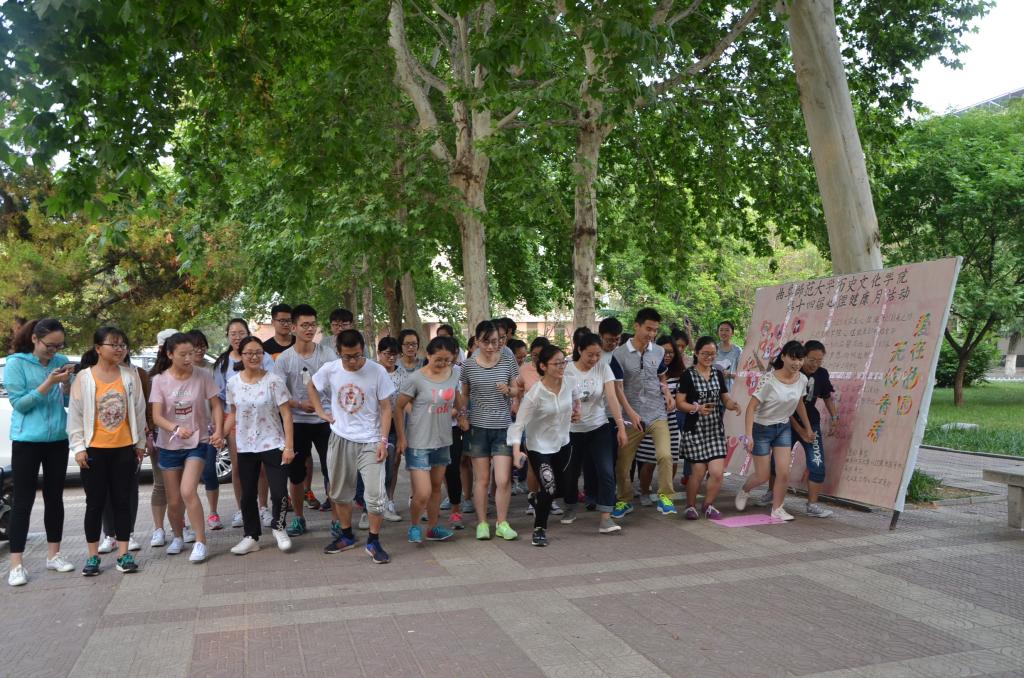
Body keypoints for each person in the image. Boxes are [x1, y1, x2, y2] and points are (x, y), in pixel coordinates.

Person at [309, 329, 395, 564]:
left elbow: (386, 408)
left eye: (357, 355)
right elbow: (312, 386)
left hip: (371, 440)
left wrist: (384, 440)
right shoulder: (331, 369)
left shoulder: (377, 371)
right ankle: (346, 535)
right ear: (339, 352)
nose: (353, 361)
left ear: (363, 349)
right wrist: (320, 411)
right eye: (347, 357)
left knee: (375, 496)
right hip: (340, 438)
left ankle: (374, 541)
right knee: (339, 493)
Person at [67, 327, 147, 576]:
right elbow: (75, 415)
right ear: (98, 348)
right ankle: (93, 557)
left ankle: (124, 554)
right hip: (94, 451)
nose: (120, 349)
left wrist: (140, 444)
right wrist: (79, 448)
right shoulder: (84, 378)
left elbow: (139, 411)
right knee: (95, 504)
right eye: (114, 344)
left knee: (123, 501)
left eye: (123, 345)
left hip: (124, 449)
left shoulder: (130, 376)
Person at [6, 318, 75, 586]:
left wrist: (66, 385)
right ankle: (16, 564)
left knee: (54, 498)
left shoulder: (61, 361)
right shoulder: (16, 363)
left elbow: (67, 401)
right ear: (35, 339)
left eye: (59, 346)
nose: (54, 351)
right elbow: (20, 404)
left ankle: (54, 554)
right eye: (50, 345)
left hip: (57, 438)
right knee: (22, 501)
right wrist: (48, 383)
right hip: (26, 440)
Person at [148, 332, 223, 562]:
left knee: (188, 490)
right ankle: (178, 536)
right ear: (170, 354)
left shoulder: (203, 376)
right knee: (173, 500)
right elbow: (157, 417)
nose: (189, 358)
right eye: (183, 354)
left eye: (191, 353)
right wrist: (176, 428)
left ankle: (200, 542)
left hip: (197, 442)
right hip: (169, 445)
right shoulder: (159, 380)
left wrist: (218, 431)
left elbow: (216, 405)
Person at [223, 336, 295, 554]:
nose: (254, 357)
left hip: (273, 442)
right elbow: (232, 413)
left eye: (258, 353)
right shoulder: (233, 383)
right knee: (247, 495)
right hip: (246, 446)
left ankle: (279, 527)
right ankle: (251, 536)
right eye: (249, 353)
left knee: (280, 492)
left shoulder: (274, 381)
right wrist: (220, 434)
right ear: (241, 355)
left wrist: (289, 446)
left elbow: (286, 414)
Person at [394, 335, 466, 544]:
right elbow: (398, 407)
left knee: (436, 488)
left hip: (442, 440)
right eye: (438, 359)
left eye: (447, 360)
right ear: (428, 355)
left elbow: (457, 395)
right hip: (418, 442)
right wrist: (401, 438)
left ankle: (432, 528)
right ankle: (415, 526)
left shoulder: (453, 373)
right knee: (423, 492)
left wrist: (462, 415)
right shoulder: (416, 378)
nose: (443, 364)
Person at [273, 304, 336, 537]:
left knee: (332, 471)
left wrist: (323, 409)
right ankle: (299, 518)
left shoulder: (327, 355)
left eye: (313, 325)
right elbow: (279, 394)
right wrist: (300, 404)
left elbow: (337, 386)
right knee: (296, 474)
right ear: (293, 328)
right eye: (304, 325)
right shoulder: (284, 359)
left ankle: (337, 520)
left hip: (326, 420)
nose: (310, 329)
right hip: (297, 422)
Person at [735, 340, 814, 521]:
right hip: (762, 428)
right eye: (793, 358)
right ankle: (745, 490)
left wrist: (807, 427)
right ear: (783, 357)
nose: (797, 363)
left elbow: (799, 404)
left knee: (783, 472)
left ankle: (777, 509)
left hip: (783, 428)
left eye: (800, 359)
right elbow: (751, 408)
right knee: (762, 475)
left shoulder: (802, 379)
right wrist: (749, 435)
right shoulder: (769, 380)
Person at [507, 344, 578, 546]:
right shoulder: (535, 394)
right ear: (543, 366)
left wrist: (577, 411)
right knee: (549, 488)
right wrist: (516, 452)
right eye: (556, 363)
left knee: (562, 489)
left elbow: (575, 398)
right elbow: (518, 426)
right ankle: (539, 529)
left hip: (563, 443)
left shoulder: (570, 382)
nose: (561, 366)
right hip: (539, 446)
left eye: (563, 362)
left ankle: (537, 499)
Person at [611, 308, 677, 518]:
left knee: (665, 455)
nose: (651, 334)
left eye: (655, 330)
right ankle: (624, 500)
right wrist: (630, 413)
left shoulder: (658, 351)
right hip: (631, 417)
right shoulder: (618, 355)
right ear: (636, 326)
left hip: (657, 413)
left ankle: (665, 497)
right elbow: (617, 388)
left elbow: (661, 376)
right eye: (648, 329)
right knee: (623, 462)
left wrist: (667, 393)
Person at [458, 320, 520, 541]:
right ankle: (482, 523)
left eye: (495, 341)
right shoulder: (468, 365)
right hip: (478, 428)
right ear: (477, 341)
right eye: (486, 342)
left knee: (503, 479)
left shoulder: (508, 359)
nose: (491, 346)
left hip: (502, 427)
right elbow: (464, 394)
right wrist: (463, 416)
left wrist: (509, 391)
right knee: (482, 479)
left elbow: (516, 389)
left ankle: (502, 523)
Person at [564, 333, 629, 533]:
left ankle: (606, 517)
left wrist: (621, 427)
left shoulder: (603, 368)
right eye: (590, 355)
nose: (594, 359)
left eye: (598, 354)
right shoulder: (567, 370)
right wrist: (568, 414)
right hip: (572, 431)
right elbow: (560, 398)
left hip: (599, 426)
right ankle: (570, 506)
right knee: (571, 472)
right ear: (579, 350)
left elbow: (612, 397)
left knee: (606, 471)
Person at [213, 319, 274, 529]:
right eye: (233, 333)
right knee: (238, 467)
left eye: (241, 332)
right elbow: (219, 399)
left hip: (262, 420)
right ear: (227, 336)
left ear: (248, 333)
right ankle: (242, 509)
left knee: (262, 468)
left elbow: (274, 385)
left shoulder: (263, 357)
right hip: (235, 421)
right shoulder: (222, 363)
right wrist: (220, 430)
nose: (237, 337)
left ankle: (263, 507)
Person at [675, 336, 742, 519]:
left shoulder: (717, 374)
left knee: (717, 473)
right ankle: (690, 506)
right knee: (697, 472)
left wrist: (732, 405)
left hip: (714, 430)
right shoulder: (688, 375)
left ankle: (708, 505)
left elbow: (724, 397)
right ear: (697, 353)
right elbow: (679, 403)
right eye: (705, 353)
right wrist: (697, 408)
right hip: (695, 430)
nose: (709, 357)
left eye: (712, 354)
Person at [786, 340, 837, 518]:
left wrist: (834, 418)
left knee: (817, 463)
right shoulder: (793, 372)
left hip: (811, 424)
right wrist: (800, 430)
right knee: (778, 463)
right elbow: (787, 408)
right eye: (812, 359)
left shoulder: (822, 374)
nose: (815, 364)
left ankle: (812, 505)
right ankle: (771, 494)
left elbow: (827, 396)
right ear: (803, 356)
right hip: (787, 423)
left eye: (819, 360)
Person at [634, 335, 684, 508]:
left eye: (671, 352)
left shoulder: (680, 374)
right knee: (649, 460)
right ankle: (644, 491)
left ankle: (666, 493)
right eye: (664, 352)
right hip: (650, 420)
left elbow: (682, 398)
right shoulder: (647, 370)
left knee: (671, 459)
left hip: (671, 422)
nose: (667, 355)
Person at [186, 329, 226, 531]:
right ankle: (187, 519)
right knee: (185, 479)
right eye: (195, 347)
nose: (199, 350)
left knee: (209, 471)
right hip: (184, 431)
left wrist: (219, 429)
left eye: (202, 346)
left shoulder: (212, 370)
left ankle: (213, 512)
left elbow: (218, 402)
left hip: (208, 429)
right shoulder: (182, 370)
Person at [716, 321, 742, 392]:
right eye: (721, 330)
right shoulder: (713, 349)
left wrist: (729, 375)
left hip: (731, 392)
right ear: (718, 332)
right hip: (714, 390)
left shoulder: (737, 350)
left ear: (732, 333)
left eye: (727, 330)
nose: (723, 333)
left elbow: (742, 373)